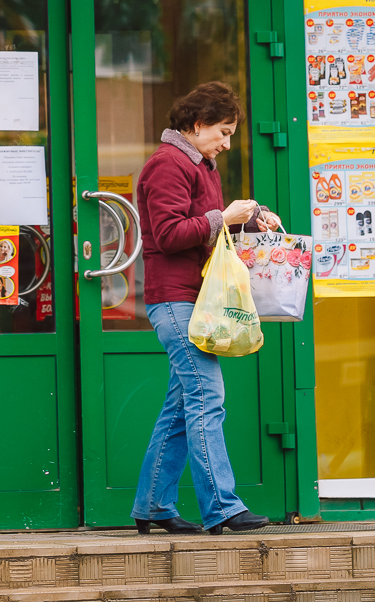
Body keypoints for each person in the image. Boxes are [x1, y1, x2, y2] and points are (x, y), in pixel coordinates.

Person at [131, 81, 281, 536]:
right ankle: (223, 507)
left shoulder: (198, 163)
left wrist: (250, 218)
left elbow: (205, 229)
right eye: (223, 131)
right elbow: (171, 233)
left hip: (191, 298)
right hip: (174, 298)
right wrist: (225, 217)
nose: (227, 143)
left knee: (182, 406)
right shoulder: (167, 165)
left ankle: (154, 506)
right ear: (197, 126)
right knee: (207, 398)